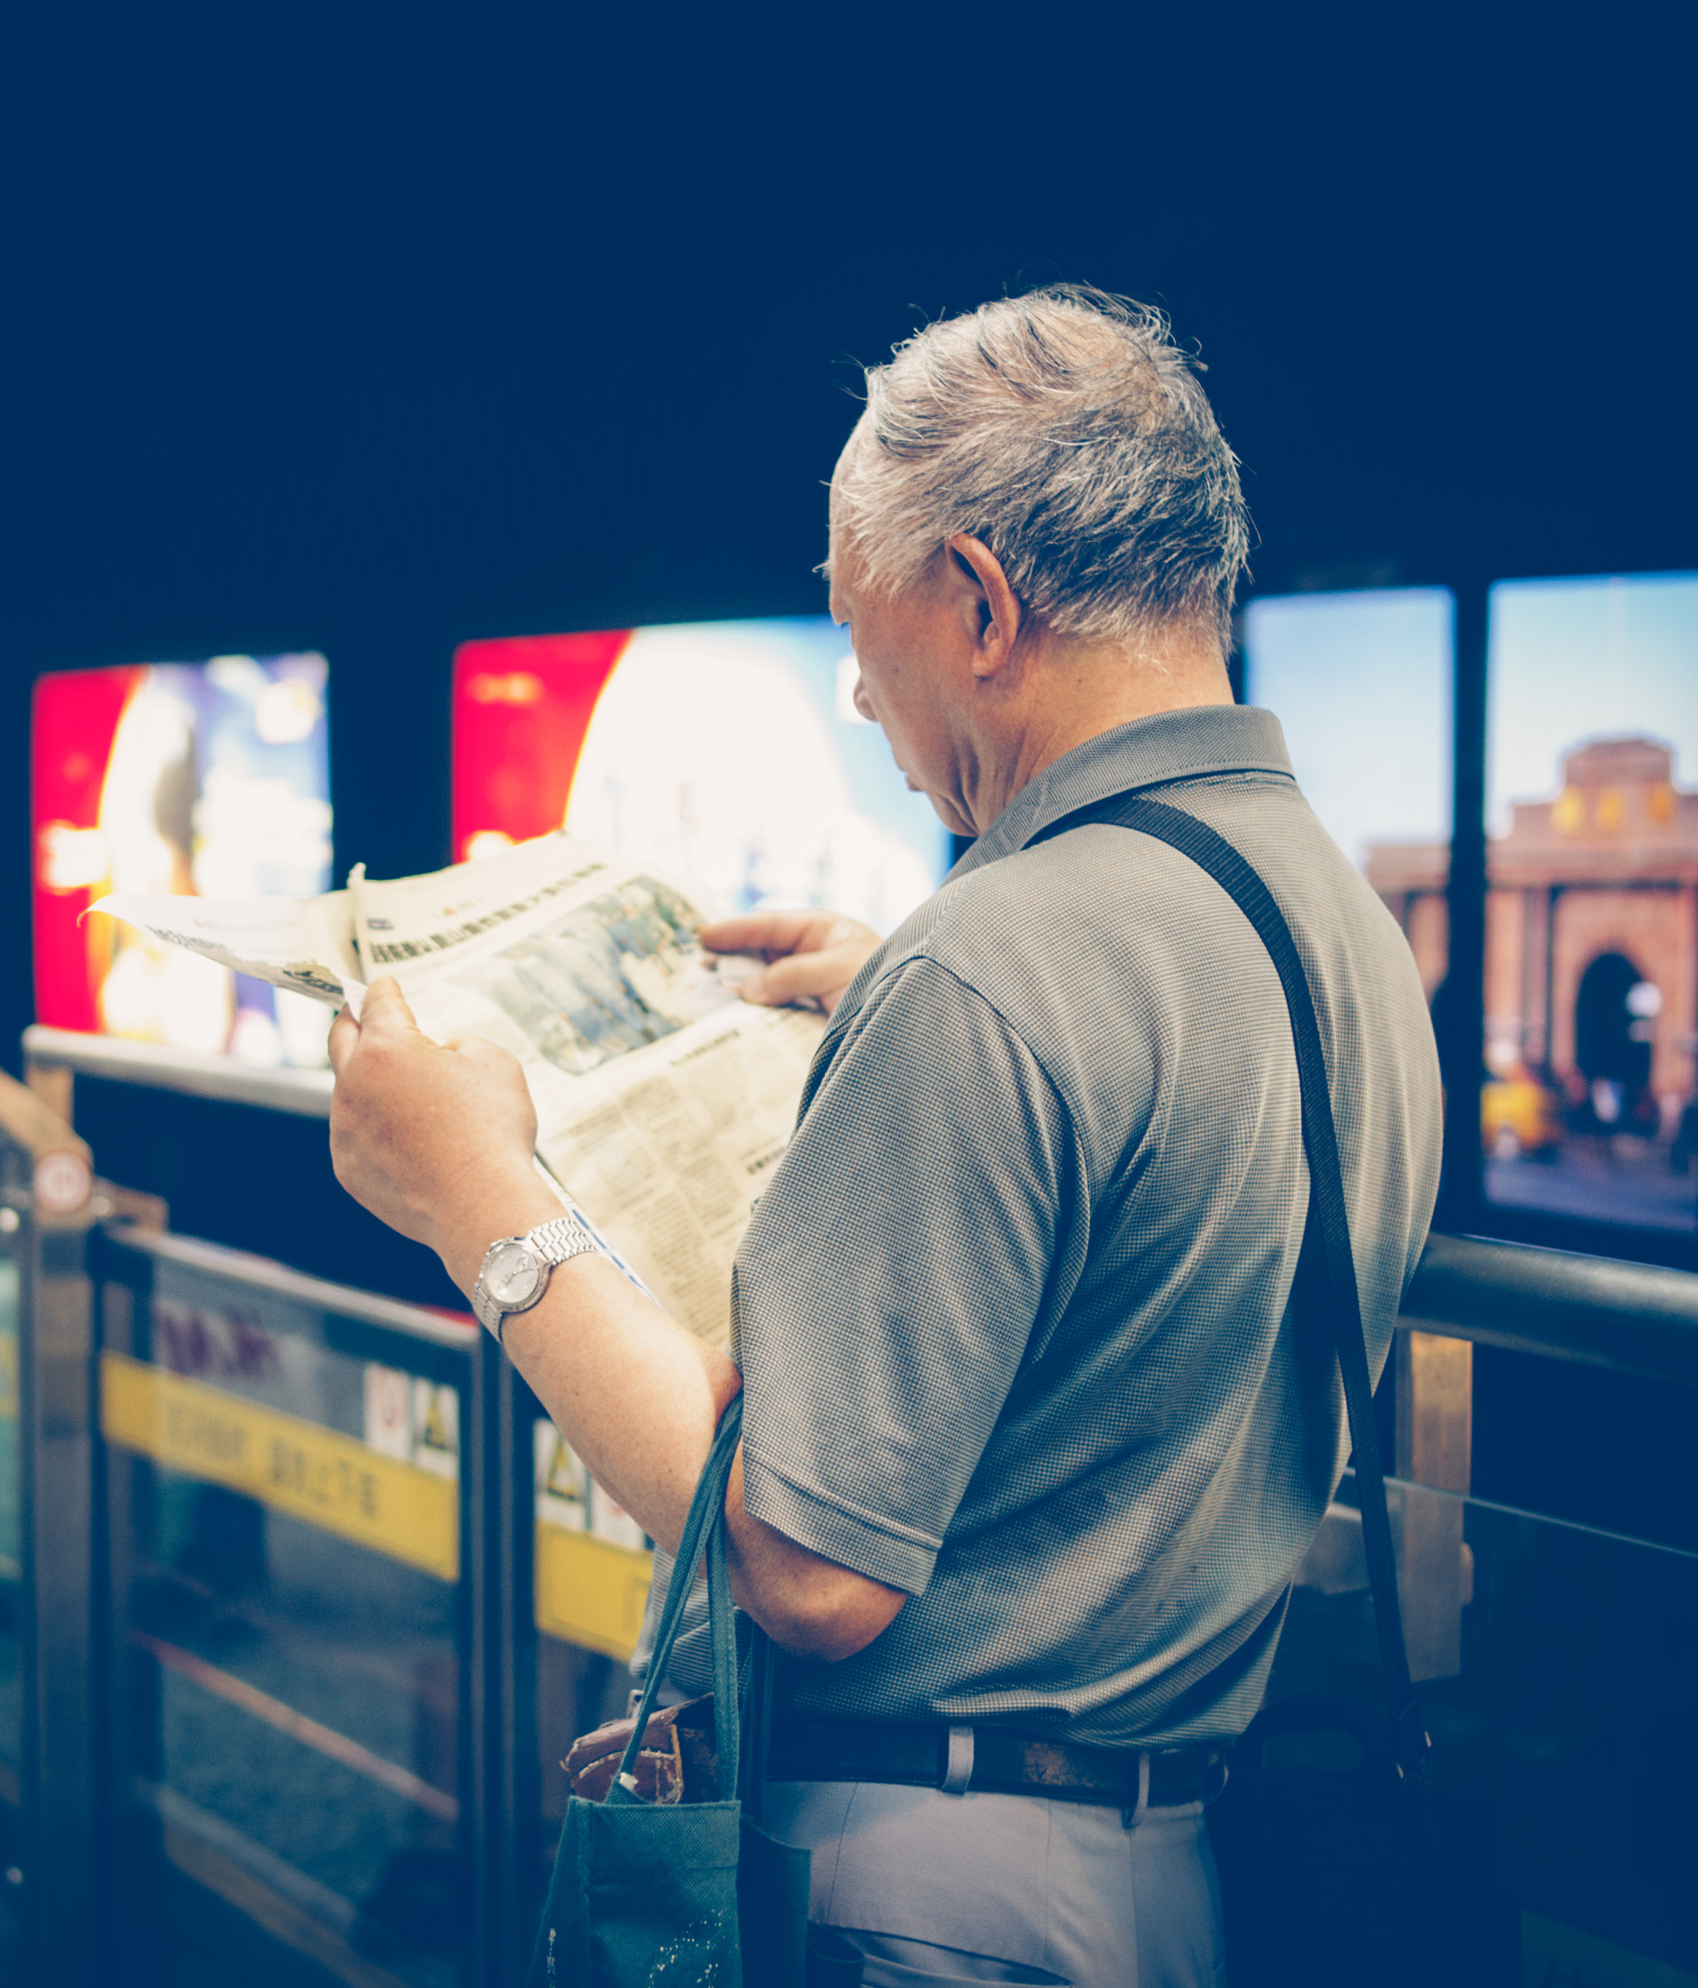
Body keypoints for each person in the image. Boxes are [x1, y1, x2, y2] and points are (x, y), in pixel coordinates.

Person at [327, 287, 1441, 1984]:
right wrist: (891, 1016)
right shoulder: (1335, 922)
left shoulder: (996, 962)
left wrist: (469, 1187)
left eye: (864, 635)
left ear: (981, 602)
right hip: (1165, 1865)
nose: (859, 694)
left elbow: (809, 1564)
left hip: (925, 1905)